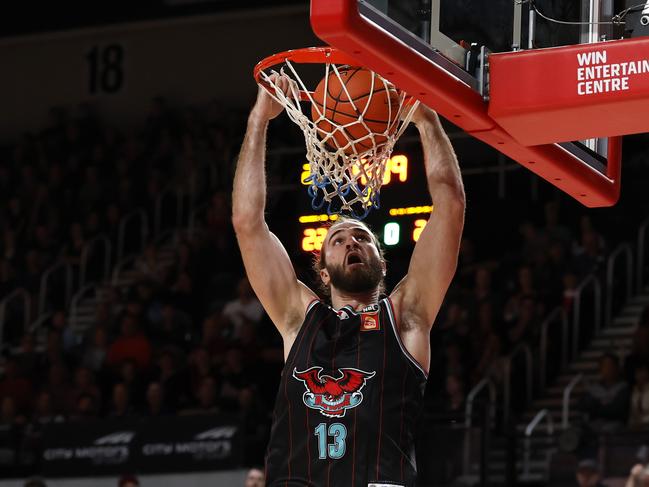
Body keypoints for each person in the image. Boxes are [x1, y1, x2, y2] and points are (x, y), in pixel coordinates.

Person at [232, 75, 465, 486]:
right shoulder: (296, 317)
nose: (351, 242)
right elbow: (247, 223)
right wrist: (258, 121)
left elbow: (450, 204)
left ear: (382, 262)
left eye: (362, 237)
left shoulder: (406, 316)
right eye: (337, 240)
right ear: (323, 271)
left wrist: (427, 122)